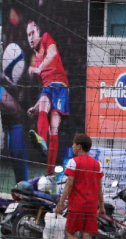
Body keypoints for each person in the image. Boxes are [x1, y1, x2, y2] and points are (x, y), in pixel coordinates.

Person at [54, 133, 105, 239]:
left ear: (79, 147)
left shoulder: (73, 162)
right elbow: (99, 188)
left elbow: (69, 185)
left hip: (77, 204)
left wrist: (61, 203)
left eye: (73, 144)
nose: (72, 146)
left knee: (70, 233)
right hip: (91, 205)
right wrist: (101, 207)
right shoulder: (97, 164)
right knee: (87, 236)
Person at [25, 20, 69, 175]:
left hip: (60, 86)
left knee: (54, 127)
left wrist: (39, 68)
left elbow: (53, 54)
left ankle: (49, 172)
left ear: (38, 33)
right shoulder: (36, 58)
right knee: (43, 105)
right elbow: (44, 88)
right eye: (28, 35)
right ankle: (41, 141)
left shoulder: (46, 38)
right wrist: (34, 107)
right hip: (48, 88)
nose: (30, 37)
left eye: (32, 33)